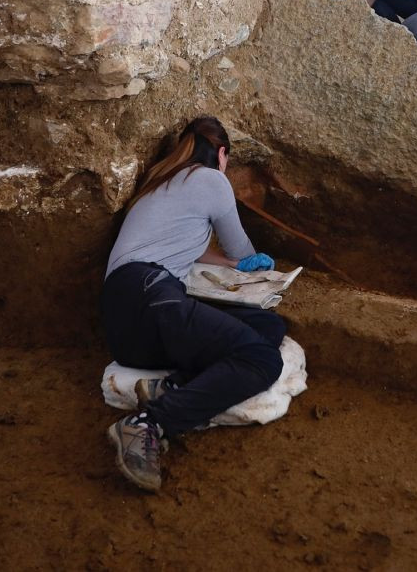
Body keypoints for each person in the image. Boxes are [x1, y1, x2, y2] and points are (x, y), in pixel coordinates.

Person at [101, 116, 285, 492]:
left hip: (129, 322)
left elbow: (191, 244)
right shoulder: (210, 179)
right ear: (221, 154)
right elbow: (240, 246)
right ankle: (149, 423)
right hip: (149, 293)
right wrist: (246, 259)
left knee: (268, 326)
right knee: (262, 359)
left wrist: (233, 266)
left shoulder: (162, 182)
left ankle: (170, 388)